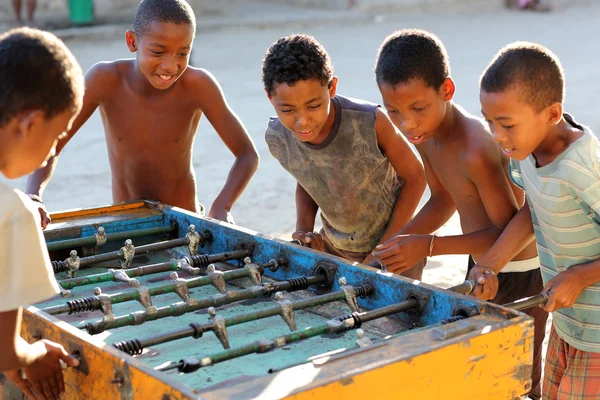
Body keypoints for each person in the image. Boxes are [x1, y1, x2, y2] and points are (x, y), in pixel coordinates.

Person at [370, 30, 547, 398]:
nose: (407, 124)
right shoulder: (427, 134)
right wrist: (392, 247)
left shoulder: (474, 149)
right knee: (480, 368)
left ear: (446, 91)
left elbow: (505, 232)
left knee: (522, 374)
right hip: (480, 262)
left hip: (518, 270)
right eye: (394, 111)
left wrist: (429, 246)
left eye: (418, 108)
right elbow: (441, 200)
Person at [26, 0, 259, 228]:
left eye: (183, 53)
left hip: (183, 222)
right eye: (158, 52)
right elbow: (52, 141)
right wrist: (34, 196)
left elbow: (247, 155)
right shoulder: (105, 80)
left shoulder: (198, 86)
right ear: (132, 41)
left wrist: (222, 205)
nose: (170, 65)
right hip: (125, 223)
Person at [469, 41, 600, 400]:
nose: (496, 135)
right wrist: (491, 264)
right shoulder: (524, 152)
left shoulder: (584, 167)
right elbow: (534, 209)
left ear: (552, 113)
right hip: (570, 323)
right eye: (489, 122)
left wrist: (580, 276)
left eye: (506, 124)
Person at [262, 34, 426, 276]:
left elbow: (416, 177)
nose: (302, 120)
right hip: (334, 248)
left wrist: (384, 251)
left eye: (314, 106)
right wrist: (304, 232)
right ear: (270, 97)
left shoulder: (369, 122)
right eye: (286, 109)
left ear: (332, 87)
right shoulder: (278, 137)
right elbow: (307, 176)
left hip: (395, 248)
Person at [0, 27, 83, 400]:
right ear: (31, 122)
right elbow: (4, 350)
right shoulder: (11, 213)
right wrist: (31, 354)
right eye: (56, 135)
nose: (51, 154)